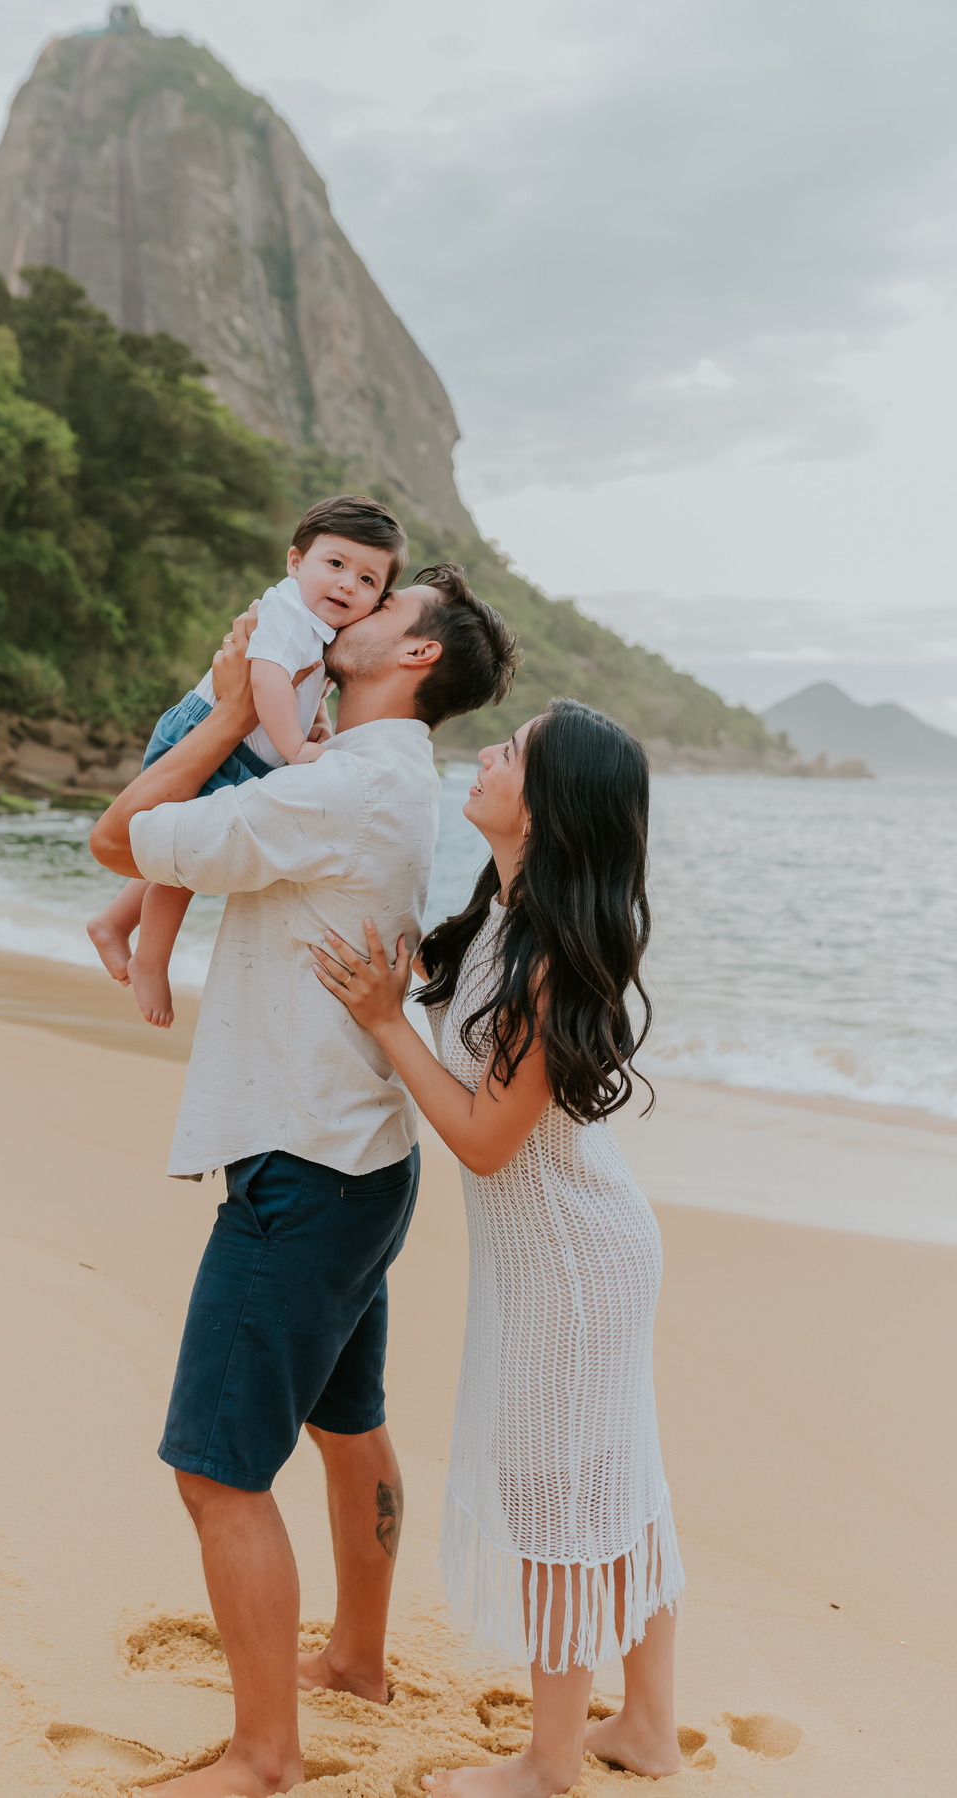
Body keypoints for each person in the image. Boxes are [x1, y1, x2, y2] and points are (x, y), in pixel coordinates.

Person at [88, 564, 519, 1798]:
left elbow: (118, 835)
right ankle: (359, 1662)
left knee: (216, 1470)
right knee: (347, 1421)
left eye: (380, 606)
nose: (343, 612)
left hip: (300, 1167)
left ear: (416, 654)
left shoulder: (334, 787)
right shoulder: (386, 775)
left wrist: (231, 709)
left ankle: (264, 1755)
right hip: (362, 1158)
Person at [310, 699, 685, 1796]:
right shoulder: (500, 919)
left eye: (513, 750)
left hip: (571, 1261)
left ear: (549, 804)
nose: (487, 752)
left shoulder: (547, 958)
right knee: (610, 1478)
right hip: (569, 1249)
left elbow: (483, 1141)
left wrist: (387, 1022)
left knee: (561, 1490)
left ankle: (551, 1758)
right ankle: (647, 1728)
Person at [87, 495, 408, 1028]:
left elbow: (307, 687)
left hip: (245, 754)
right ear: (295, 562)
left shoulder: (320, 629)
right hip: (211, 738)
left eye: (367, 580)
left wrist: (318, 723)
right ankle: (151, 959)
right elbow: (267, 678)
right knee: (180, 861)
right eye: (335, 563)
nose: (348, 584)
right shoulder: (286, 613)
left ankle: (114, 923)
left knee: (181, 846)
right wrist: (295, 749)